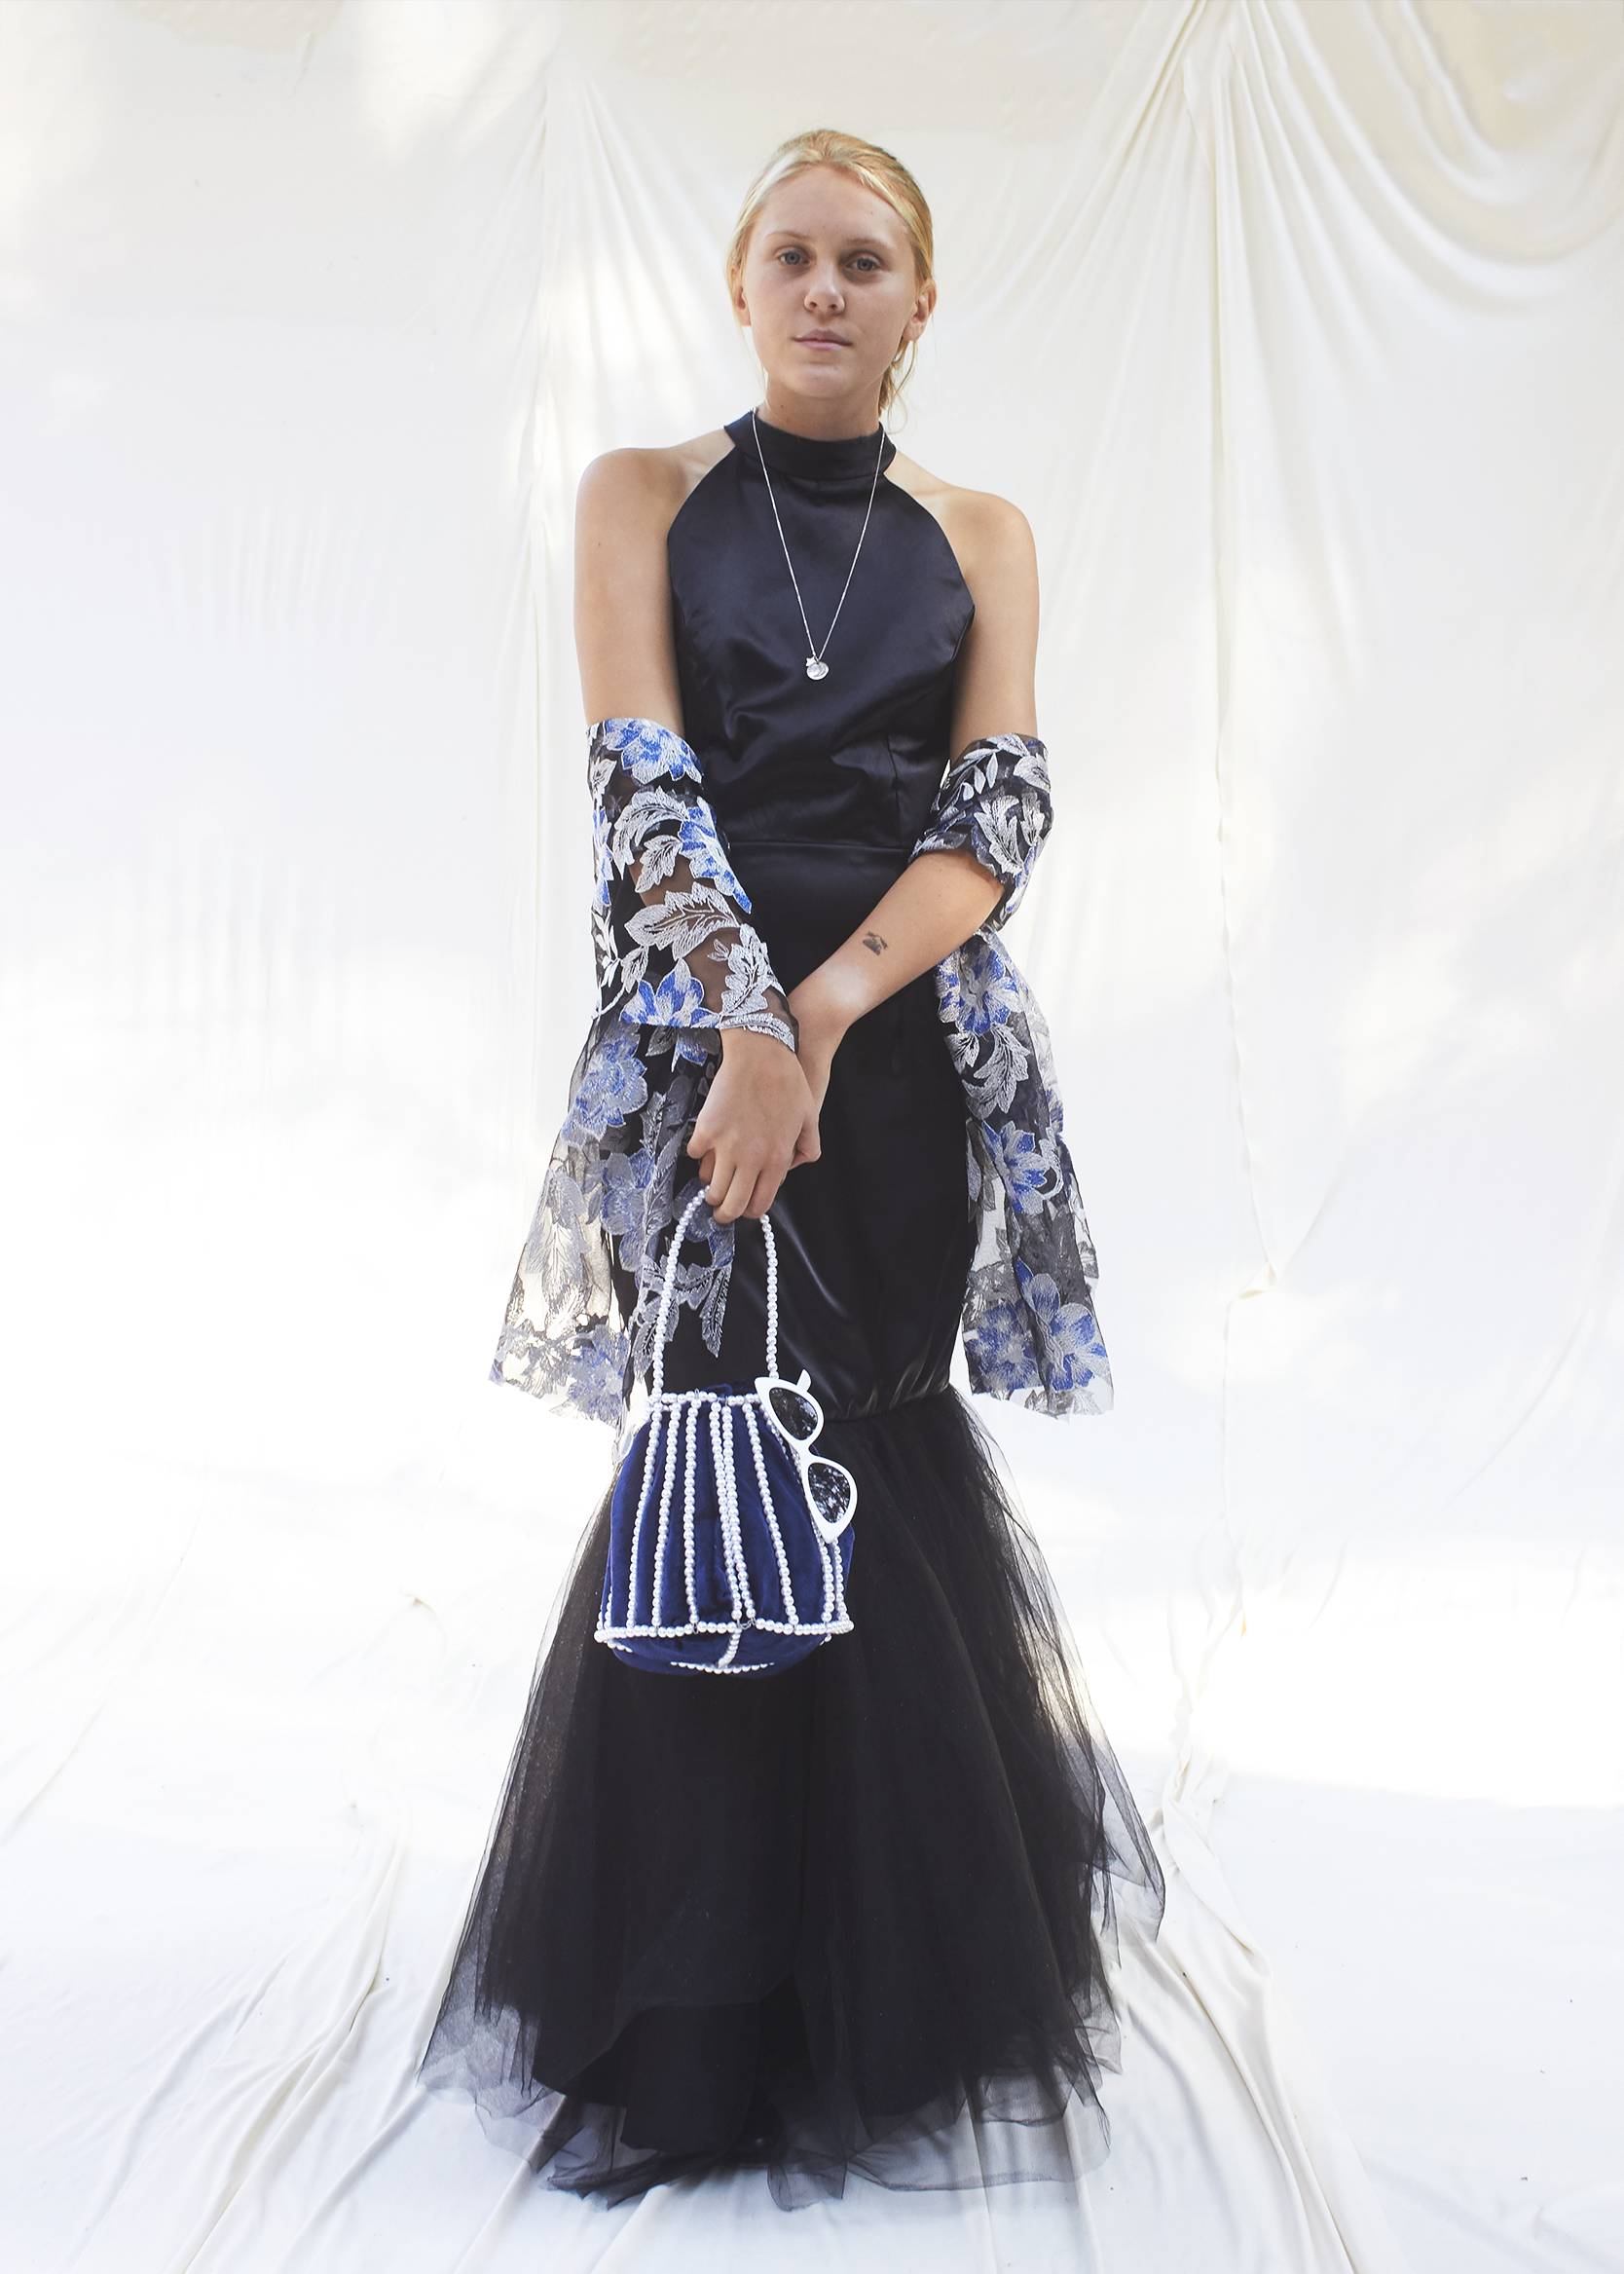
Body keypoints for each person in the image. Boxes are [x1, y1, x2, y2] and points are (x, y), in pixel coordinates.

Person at [422, 127, 1161, 2211]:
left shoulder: (984, 532)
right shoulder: (641, 496)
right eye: (793, 257)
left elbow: (999, 808)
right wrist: (747, 1031)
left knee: (878, 1436)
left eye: (867, 261)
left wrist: (825, 1017)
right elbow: (643, 785)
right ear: (740, 289)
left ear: (924, 304)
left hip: (902, 1055)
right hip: (699, 1048)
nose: (827, 289)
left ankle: (886, 1988)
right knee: (725, 1436)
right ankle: (697, 2011)